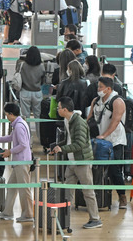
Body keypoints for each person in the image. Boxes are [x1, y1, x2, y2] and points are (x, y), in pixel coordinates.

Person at [52, 97, 103, 229]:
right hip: (72, 161)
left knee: (88, 191)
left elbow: (79, 144)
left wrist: (62, 149)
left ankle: (95, 219)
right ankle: (64, 218)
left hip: (82, 162)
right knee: (67, 192)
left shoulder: (79, 123)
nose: (57, 110)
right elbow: (69, 140)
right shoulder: (67, 120)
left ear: (64, 109)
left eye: (58, 108)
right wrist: (57, 146)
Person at [88, 77, 128, 209]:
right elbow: (89, 118)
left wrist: (104, 135)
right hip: (99, 142)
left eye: (101, 87)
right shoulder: (96, 101)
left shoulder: (117, 101)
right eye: (98, 87)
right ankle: (99, 198)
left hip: (115, 141)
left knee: (114, 170)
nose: (98, 89)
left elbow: (115, 121)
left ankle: (122, 196)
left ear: (109, 89)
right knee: (97, 169)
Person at [0, 103, 34, 222]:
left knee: (23, 189)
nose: (6, 117)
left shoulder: (19, 126)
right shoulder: (19, 124)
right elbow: (11, 137)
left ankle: (28, 214)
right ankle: (7, 212)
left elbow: (23, 145)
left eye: (6, 114)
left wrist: (9, 151)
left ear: (11, 114)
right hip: (19, 163)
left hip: (22, 162)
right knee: (11, 187)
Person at [18, 46, 46, 121]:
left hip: (25, 91)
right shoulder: (42, 66)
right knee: (38, 116)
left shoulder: (22, 65)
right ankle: (39, 132)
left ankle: (26, 132)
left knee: (25, 117)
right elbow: (43, 80)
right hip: (37, 92)